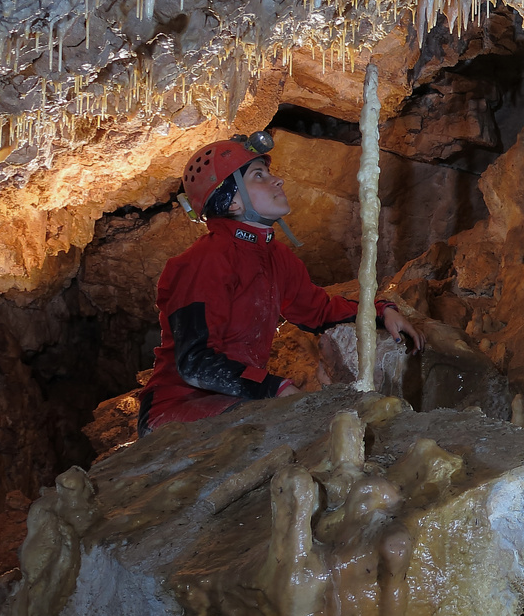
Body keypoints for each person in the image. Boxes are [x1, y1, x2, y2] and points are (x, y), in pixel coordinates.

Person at [138, 132, 422, 432]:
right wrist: (275, 387)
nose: (278, 181)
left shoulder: (275, 257)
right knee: (298, 426)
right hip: (175, 409)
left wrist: (382, 311)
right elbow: (195, 362)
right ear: (233, 201)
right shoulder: (202, 261)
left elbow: (318, 312)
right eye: (259, 175)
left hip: (236, 400)